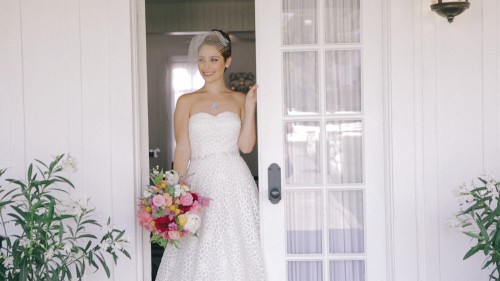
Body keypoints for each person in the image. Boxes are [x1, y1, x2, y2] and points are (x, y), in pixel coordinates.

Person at [155, 30, 266, 281]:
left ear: (227, 61)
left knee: (239, 245)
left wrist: (250, 107)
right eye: (202, 59)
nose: (206, 66)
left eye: (213, 59)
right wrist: (175, 192)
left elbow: (246, 147)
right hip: (199, 180)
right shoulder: (186, 101)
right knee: (199, 244)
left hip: (235, 181)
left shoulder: (239, 99)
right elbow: (182, 147)